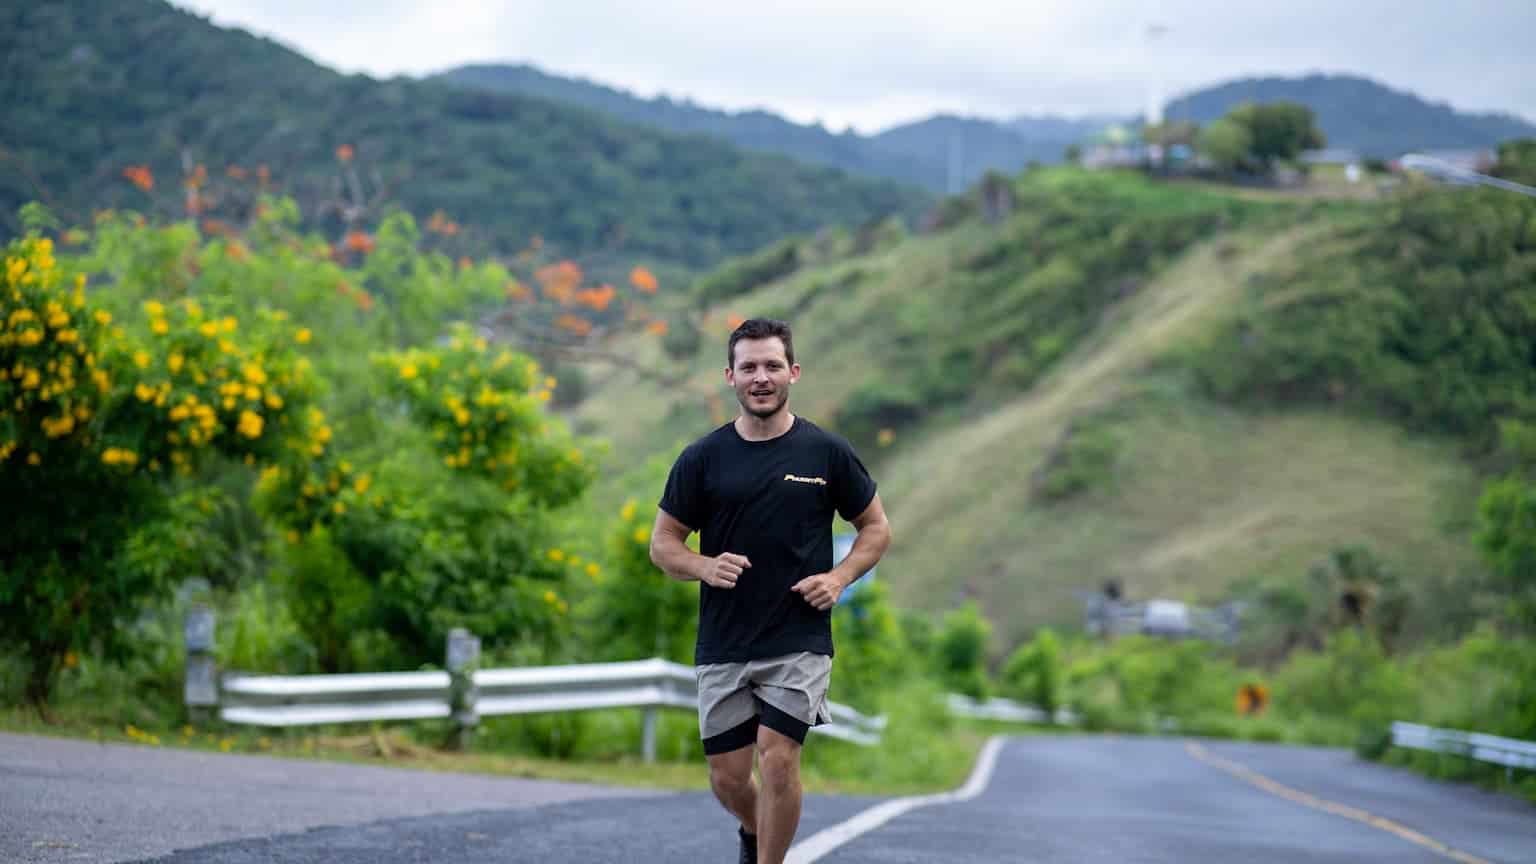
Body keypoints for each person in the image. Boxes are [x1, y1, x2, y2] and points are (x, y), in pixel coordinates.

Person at [649, 318, 892, 864]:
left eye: (773, 366)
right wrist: (702, 566)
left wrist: (837, 577)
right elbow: (663, 544)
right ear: (730, 376)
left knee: (778, 758)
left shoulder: (826, 453)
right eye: (750, 367)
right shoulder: (702, 458)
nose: (762, 377)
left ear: (794, 373)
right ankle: (757, 830)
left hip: (798, 636)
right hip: (725, 639)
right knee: (728, 779)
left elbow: (875, 529)